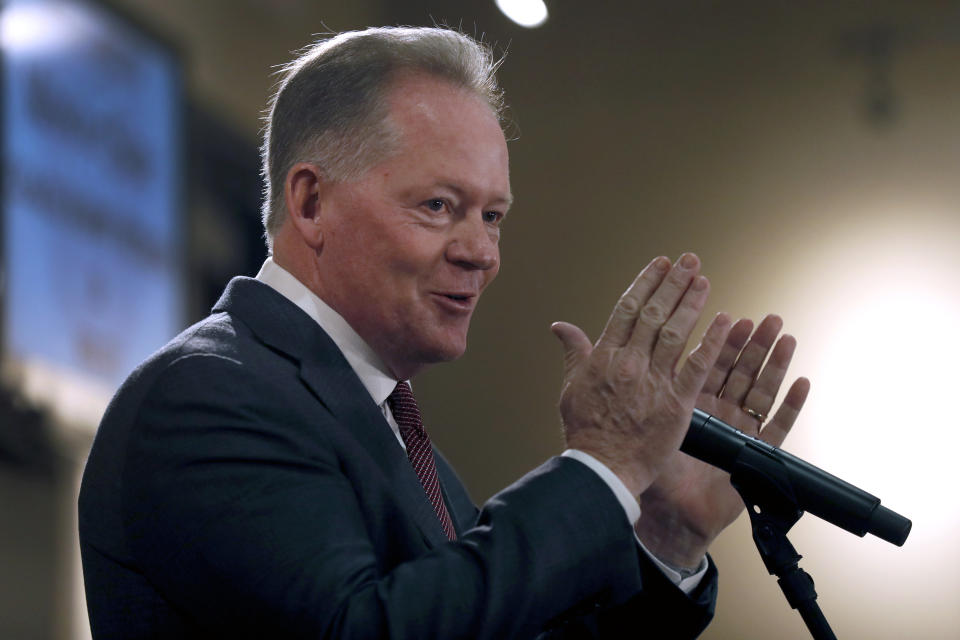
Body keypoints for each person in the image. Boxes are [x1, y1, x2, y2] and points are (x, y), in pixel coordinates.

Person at [78, 26, 809, 639]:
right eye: (438, 205)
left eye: (492, 216)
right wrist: (604, 466)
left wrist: (660, 532)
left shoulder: (387, 430)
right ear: (310, 203)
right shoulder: (207, 397)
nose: (481, 253)